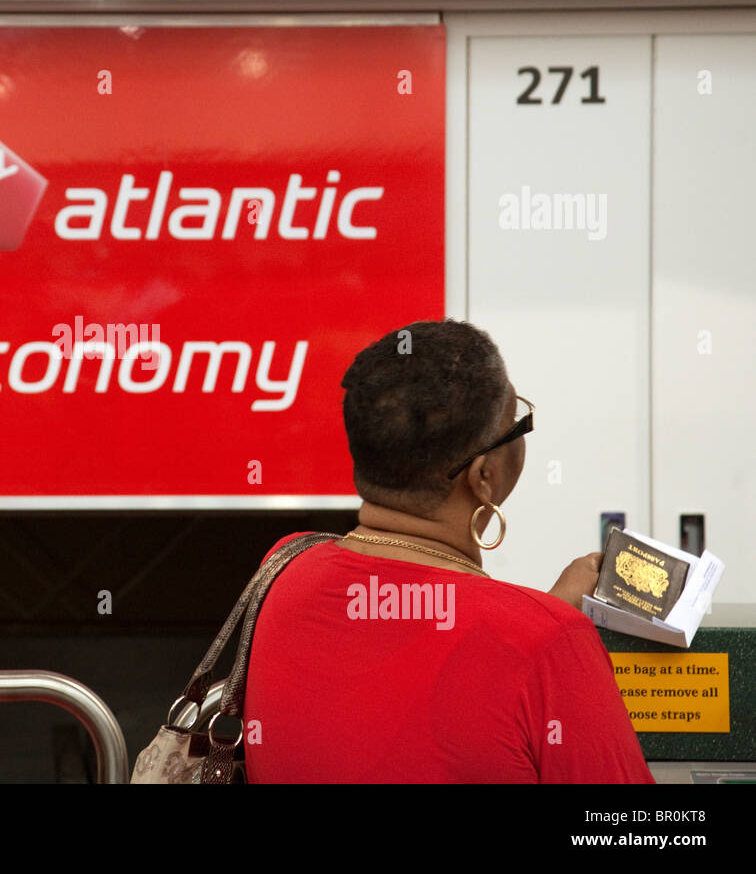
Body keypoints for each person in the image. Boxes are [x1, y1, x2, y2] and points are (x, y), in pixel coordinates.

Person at [243, 319, 653, 783]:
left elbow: (392, 702)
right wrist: (549, 631)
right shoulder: (550, 644)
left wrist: (541, 621)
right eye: (517, 419)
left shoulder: (283, 569)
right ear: (483, 477)